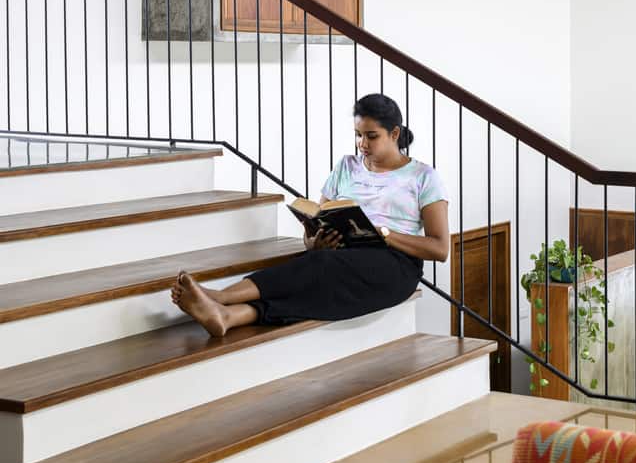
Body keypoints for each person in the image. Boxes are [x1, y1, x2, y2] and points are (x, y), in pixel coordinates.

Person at [170, 93, 450, 337]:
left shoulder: (423, 176)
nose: (362, 144)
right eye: (358, 134)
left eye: (371, 136)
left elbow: (440, 248)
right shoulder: (347, 166)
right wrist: (313, 241)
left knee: (322, 268)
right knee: (318, 270)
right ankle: (230, 317)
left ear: (395, 134)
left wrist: (385, 235)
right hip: (344, 255)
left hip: (395, 265)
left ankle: (220, 297)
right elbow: (319, 215)